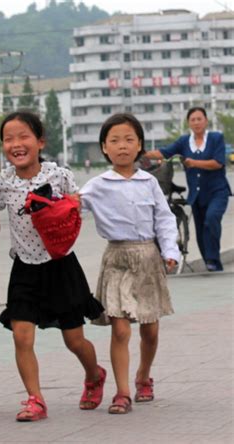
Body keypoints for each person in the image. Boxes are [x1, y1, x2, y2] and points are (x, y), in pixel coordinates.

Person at [0, 111, 106, 422]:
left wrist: (68, 208)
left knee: (74, 340)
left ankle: (94, 375)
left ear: (40, 142)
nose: (16, 144)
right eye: (9, 139)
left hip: (60, 266)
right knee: (21, 335)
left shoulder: (59, 175)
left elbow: (76, 205)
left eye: (24, 136)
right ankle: (35, 399)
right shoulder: (3, 184)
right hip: (24, 268)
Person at [80, 113, 180, 414]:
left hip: (148, 258)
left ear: (139, 146)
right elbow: (71, 205)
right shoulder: (97, 185)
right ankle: (122, 392)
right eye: (114, 141)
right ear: (104, 148)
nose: (122, 146)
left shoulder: (149, 182)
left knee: (150, 331)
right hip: (117, 260)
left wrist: (170, 251)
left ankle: (143, 375)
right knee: (120, 329)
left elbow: (164, 219)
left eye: (129, 140)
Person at [144, 107, 231, 272]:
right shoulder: (184, 142)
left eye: (200, 119)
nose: (197, 122)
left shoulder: (215, 138)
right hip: (197, 196)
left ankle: (213, 259)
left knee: (211, 219)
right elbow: (164, 153)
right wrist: (142, 153)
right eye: (193, 119)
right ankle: (212, 265)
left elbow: (218, 162)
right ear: (188, 123)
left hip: (217, 192)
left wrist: (194, 163)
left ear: (205, 121)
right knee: (200, 232)